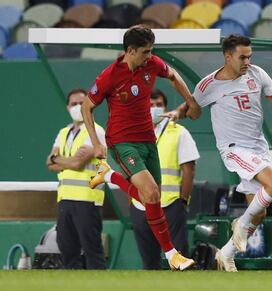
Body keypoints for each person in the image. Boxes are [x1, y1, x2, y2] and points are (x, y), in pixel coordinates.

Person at [171, 34, 272, 272]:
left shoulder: (257, 74)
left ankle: (225, 254)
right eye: (242, 57)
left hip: (258, 147)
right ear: (228, 57)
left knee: (259, 213)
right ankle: (240, 223)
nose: (247, 61)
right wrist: (177, 114)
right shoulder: (209, 85)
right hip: (234, 148)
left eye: (250, 56)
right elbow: (191, 109)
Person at [81, 25, 200, 271]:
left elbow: (174, 75)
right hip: (122, 142)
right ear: (130, 51)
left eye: (151, 51)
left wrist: (190, 102)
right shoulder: (109, 76)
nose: (150, 56)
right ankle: (172, 255)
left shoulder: (151, 64)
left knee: (150, 199)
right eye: (145, 52)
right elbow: (86, 106)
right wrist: (96, 142)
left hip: (148, 141)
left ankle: (109, 175)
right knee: (152, 194)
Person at [130, 89, 200, 269]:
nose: (154, 108)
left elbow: (189, 170)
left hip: (170, 204)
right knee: (149, 259)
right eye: (150, 105)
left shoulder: (178, 132)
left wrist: (182, 202)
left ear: (166, 107)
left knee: (180, 258)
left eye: (158, 105)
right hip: (141, 204)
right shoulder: (133, 133)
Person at [46, 88, 107, 269]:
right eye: (74, 104)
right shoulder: (63, 132)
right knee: (67, 249)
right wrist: (65, 160)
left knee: (92, 251)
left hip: (87, 200)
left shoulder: (95, 131)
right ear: (67, 107)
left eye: (82, 103)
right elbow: (49, 163)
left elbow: (76, 164)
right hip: (65, 199)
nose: (78, 107)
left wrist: (58, 159)